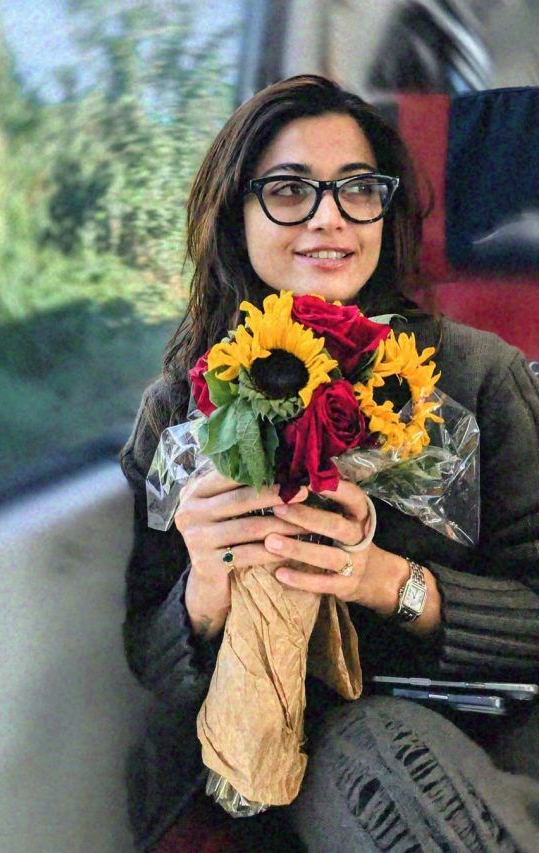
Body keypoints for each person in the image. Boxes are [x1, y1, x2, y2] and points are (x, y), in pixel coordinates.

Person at [120, 75, 539, 852]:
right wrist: (206, 584)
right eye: (289, 190)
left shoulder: (480, 376)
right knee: (375, 751)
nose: (329, 217)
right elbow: (149, 651)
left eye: (358, 189)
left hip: (500, 717)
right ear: (236, 213)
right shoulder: (181, 404)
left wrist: (385, 581)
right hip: (306, 739)